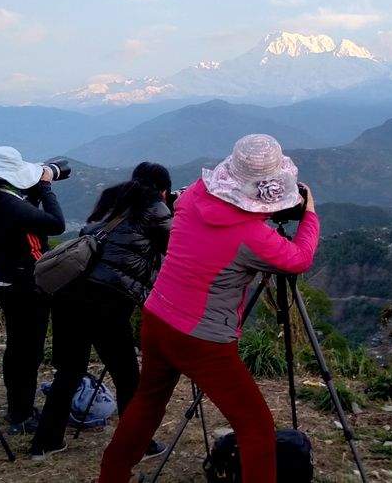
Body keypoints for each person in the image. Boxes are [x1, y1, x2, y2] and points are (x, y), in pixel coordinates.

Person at [98, 134, 321, 483]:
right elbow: (299, 259)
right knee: (255, 426)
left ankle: (111, 476)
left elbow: (224, 220)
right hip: (201, 338)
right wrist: (309, 215)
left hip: (157, 316)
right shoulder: (254, 237)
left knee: (147, 402)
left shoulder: (192, 197)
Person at [30, 162, 173, 461]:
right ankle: (139, 445)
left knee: (69, 372)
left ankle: (45, 442)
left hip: (69, 294)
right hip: (107, 301)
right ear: (162, 191)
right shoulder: (157, 210)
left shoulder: (114, 205)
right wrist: (178, 211)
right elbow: (175, 247)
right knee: (127, 376)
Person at [0, 146, 65, 436]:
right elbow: (56, 224)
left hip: (8, 282)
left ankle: (17, 408)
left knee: (17, 349)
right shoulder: (9, 205)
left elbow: (20, 218)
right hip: (28, 285)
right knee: (28, 353)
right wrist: (46, 187)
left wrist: (32, 191)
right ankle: (22, 415)